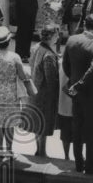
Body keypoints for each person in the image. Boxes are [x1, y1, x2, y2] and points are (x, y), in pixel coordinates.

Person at [64, 14, 93, 174]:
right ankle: (91, 164)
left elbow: (66, 66)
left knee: (77, 126)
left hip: (75, 90)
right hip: (90, 92)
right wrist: (80, 84)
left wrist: (74, 83)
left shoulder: (71, 40)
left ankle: (78, 163)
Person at [0, 26, 35, 162]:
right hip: (11, 92)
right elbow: (22, 75)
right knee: (9, 123)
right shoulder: (15, 57)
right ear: (9, 42)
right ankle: (9, 150)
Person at [28, 25, 60, 158]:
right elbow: (51, 79)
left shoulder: (35, 47)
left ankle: (39, 149)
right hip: (44, 94)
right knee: (43, 124)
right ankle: (42, 152)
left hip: (34, 89)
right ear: (51, 36)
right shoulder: (49, 55)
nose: (58, 37)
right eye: (57, 35)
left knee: (37, 123)